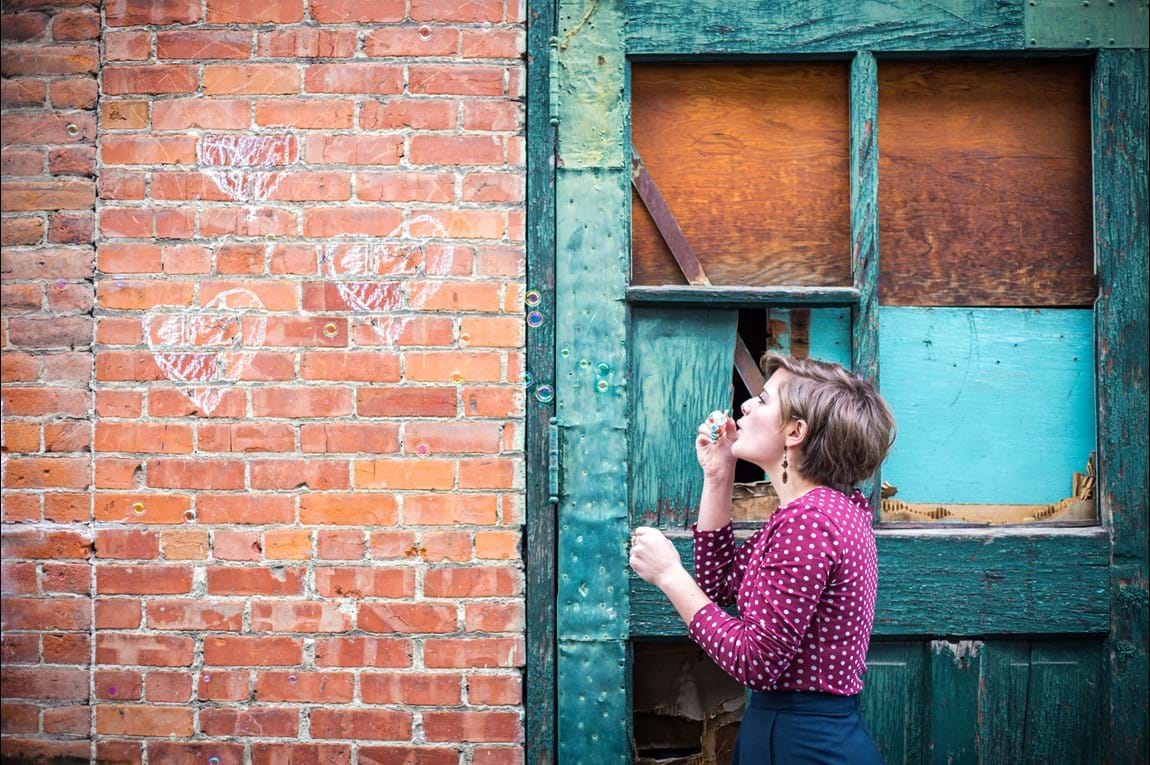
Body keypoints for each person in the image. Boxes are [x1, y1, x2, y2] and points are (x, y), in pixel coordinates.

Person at [629, 351, 896, 764]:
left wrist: (668, 575)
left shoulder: (809, 521)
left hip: (800, 743)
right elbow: (719, 585)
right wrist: (719, 475)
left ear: (795, 431)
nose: (747, 406)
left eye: (765, 400)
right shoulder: (821, 510)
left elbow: (756, 662)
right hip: (797, 732)